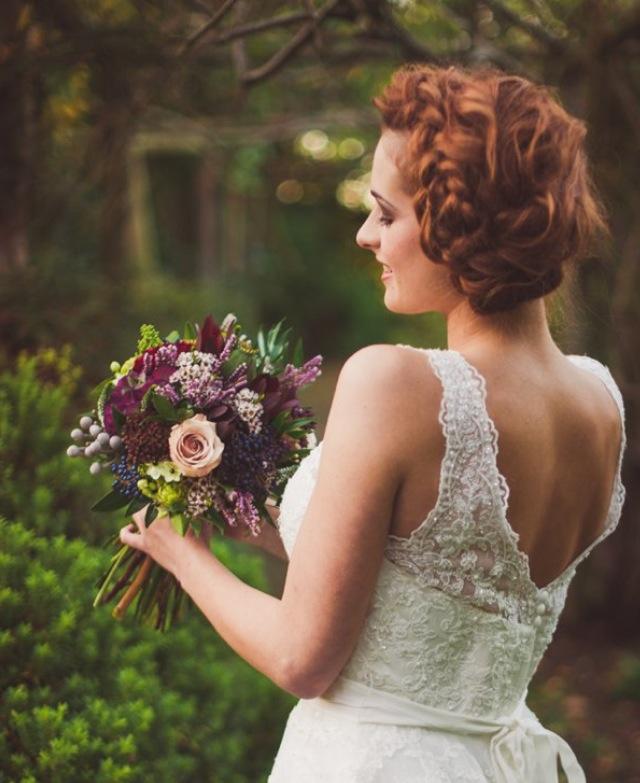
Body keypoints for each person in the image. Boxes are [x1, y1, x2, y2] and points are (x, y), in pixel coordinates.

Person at [120, 63, 627, 782]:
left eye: (386, 213)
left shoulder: (394, 383)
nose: (365, 235)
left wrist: (177, 548)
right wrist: (241, 510)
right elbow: (422, 574)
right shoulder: (601, 402)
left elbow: (304, 658)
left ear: (459, 228)